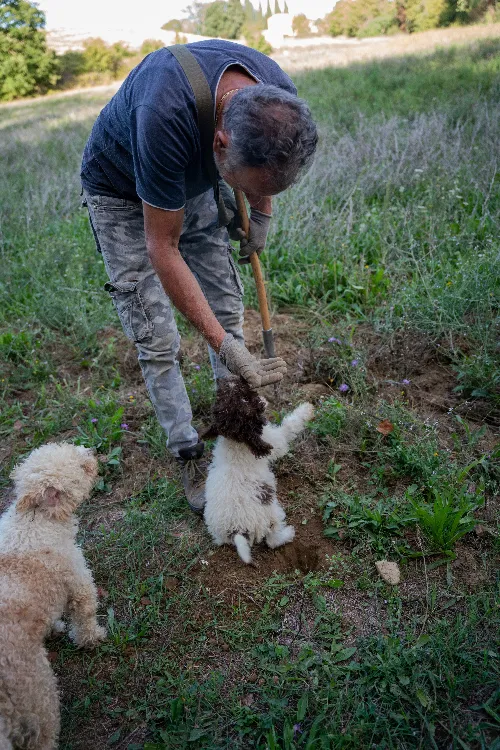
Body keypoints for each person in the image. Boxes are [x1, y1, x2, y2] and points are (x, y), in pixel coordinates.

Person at [81, 39, 318, 513]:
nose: (251, 197)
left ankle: (234, 432)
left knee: (228, 308)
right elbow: (162, 247)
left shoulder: (278, 99)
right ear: (220, 142)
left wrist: (262, 212)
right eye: (245, 187)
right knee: (157, 336)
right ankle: (187, 449)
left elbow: (265, 166)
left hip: (194, 179)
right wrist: (225, 347)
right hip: (122, 192)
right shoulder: (164, 110)